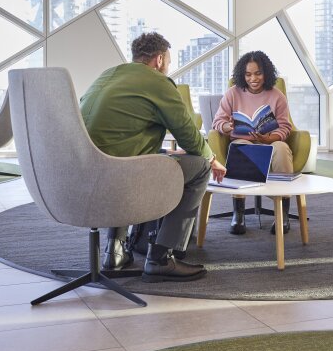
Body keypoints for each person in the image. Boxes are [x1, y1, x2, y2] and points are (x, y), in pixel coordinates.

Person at [80, 32, 227, 283]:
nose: (167, 67)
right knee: (201, 166)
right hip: (121, 175)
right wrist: (212, 158)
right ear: (159, 60)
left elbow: (118, 138)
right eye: (168, 61)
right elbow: (189, 136)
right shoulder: (158, 82)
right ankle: (161, 256)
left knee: (158, 157)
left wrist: (164, 153)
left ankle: (114, 251)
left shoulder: (108, 75)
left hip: (87, 172)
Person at [212, 51, 294, 235]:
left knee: (281, 149)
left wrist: (269, 138)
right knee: (239, 146)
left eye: (258, 73)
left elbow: (285, 127)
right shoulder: (232, 94)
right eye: (248, 74)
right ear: (243, 75)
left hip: (270, 140)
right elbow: (217, 122)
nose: (253, 79)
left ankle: (283, 214)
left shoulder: (276, 95)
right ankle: (238, 214)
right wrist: (227, 126)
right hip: (243, 139)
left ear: (266, 73)